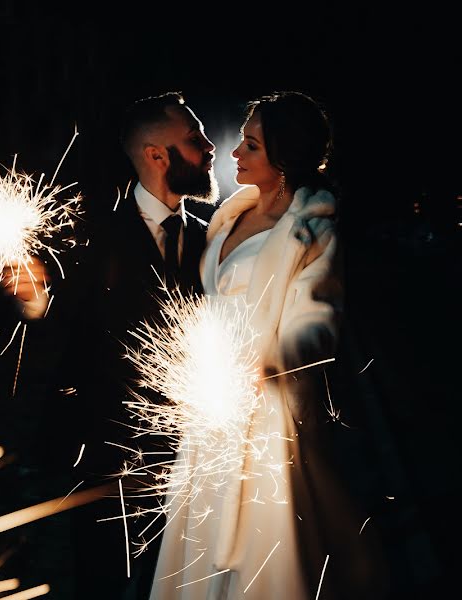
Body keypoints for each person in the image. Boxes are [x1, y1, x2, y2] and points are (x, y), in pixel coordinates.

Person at [150, 92, 388, 599]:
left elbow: (317, 322)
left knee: (266, 548)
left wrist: (268, 362)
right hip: (214, 406)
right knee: (199, 535)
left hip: (267, 409)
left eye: (251, 144)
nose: (235, 152)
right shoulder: (227, 218)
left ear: (283, 158)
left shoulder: (312, 232)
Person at [3, 91, 218, 599]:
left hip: (197, 455)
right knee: (105, 585)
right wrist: (32, 300)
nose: (210, 148)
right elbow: (54, 320)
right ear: (156, 155)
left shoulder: (215, 239)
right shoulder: (91, 235)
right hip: (109, 459)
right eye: (195, 138)